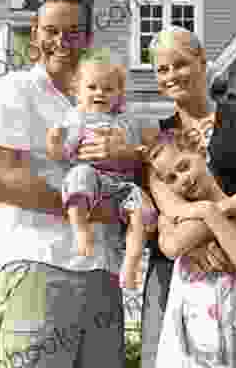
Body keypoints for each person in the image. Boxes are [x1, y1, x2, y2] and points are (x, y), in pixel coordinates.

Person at [0, 0, 140, 368]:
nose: (61, 42)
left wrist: (128, 155)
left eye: (73, 32)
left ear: (89, 38)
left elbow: (140, 172)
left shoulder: (111, 102)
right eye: (51, 30)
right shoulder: (14, 91)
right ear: (35, 34)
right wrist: (96, 212)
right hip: (40, 264)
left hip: (103, 272)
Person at [141, 26, 236, 368]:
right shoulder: (157, 136)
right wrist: (217, 218)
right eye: (162, 70)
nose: (171, 75)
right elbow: (170, 208)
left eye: (180, 64)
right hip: (178, 271)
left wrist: (223, 235)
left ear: (202, 61)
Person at [147, 130, 236, 367]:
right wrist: (219, 209)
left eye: (184, 166)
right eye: (171, 178)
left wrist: (211, 213)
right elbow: (173, 247)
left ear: (202, 152)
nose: (182, 180)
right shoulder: (172, 218)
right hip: (193, 332)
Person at [45, 48, 158, 289]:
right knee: (79, 175)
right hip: (93, 178)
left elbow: (140, 153)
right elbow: (63, 155)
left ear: (119, 95)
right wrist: (55, 141)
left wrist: (131, 150)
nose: (100, 93)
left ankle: (131, 263)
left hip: (121, 185)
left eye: (108, 89)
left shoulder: (126, 120)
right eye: (92, 87)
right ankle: (80, 228)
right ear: (77, 91)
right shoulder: (76, 119)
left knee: (141, 209)